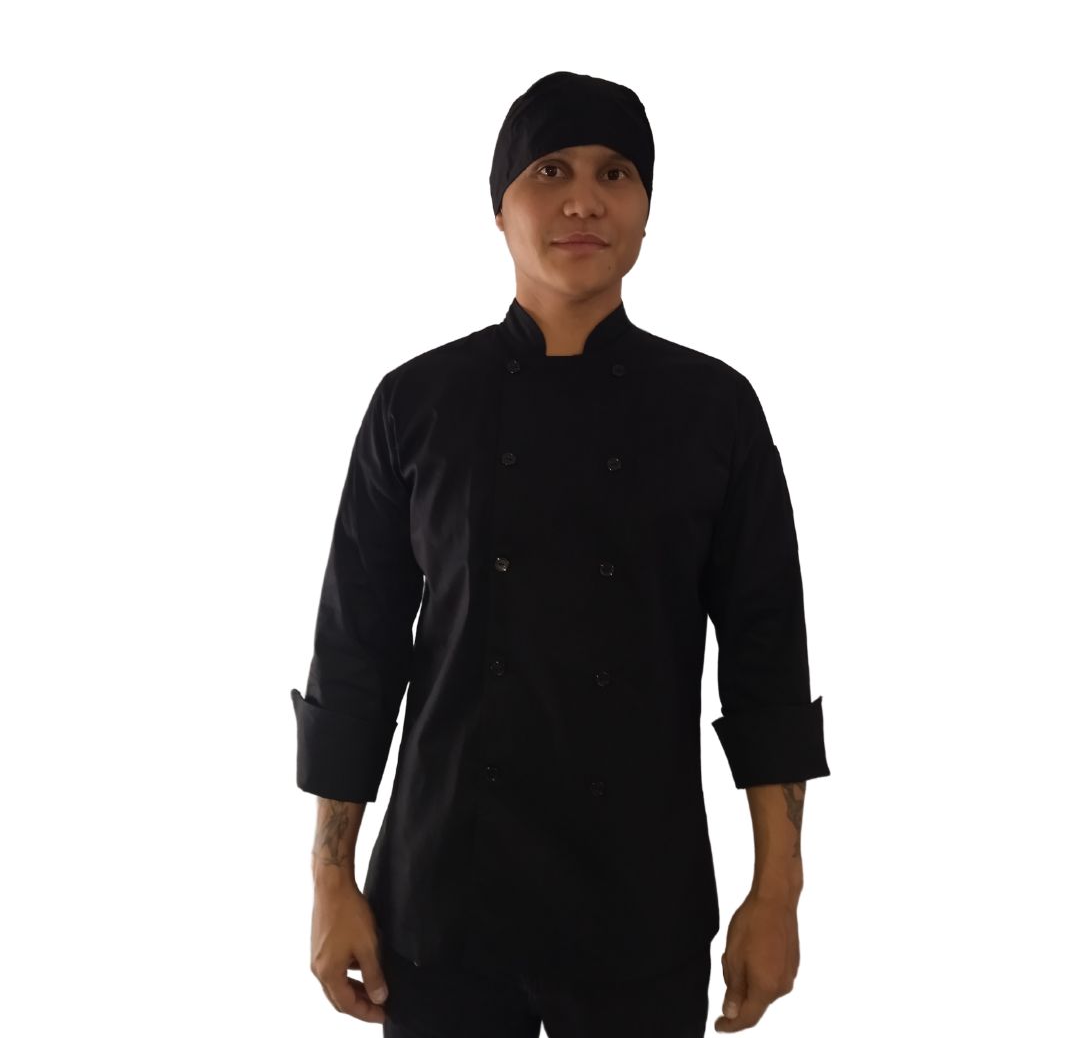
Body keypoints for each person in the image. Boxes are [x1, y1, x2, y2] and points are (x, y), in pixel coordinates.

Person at [291, 70, 830, 1037]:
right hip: (442, 901)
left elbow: (767, 662)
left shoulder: (713, 410)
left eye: (615, 172)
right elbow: (356, 655)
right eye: (550, 170)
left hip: (641, 905)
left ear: (647, 208)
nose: (584, 199)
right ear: (500, 207)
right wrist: (331, 880)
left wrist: (777, 890)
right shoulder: (417, 403)